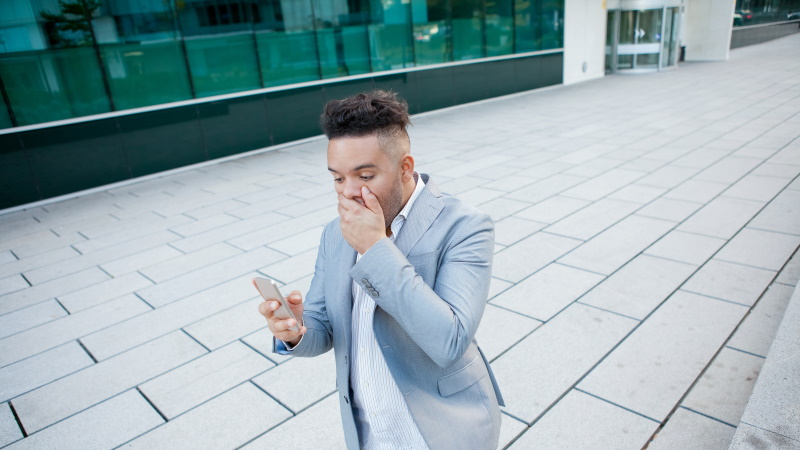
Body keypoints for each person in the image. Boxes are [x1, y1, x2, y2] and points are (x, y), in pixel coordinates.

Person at [258, 90, 504, 450]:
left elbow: (450, 341)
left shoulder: (465, 226)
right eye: (338, 179)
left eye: (365, 175)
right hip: (369, 432)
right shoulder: (334, 233)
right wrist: (295, 330)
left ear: (405, 168)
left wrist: (374, 247)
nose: (349, 193)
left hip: (443, 430)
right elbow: (322, 328)